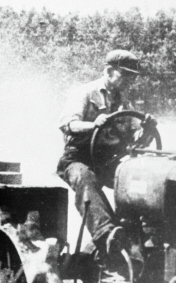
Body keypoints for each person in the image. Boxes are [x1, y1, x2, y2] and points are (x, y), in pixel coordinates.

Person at [57, 50, 155, 260]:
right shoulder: (84, 93)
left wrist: (146, 130)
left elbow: (136, 137)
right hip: (77, 158)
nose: (130, 81)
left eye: (133, 77)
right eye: (125, 75)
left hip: (108, 162)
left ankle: (140, 232)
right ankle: (107, 235)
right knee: (86, 178)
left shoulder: (124, 104)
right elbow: (67, 124)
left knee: (137, 181)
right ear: (109, 71)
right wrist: (92, 124)